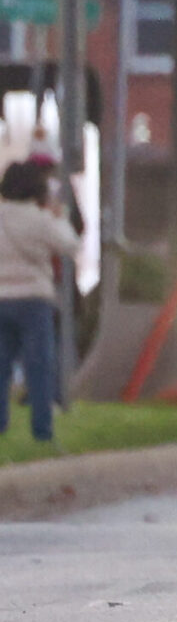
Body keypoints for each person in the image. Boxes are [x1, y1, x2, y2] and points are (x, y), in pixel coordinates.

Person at [0, 161, 79, 445]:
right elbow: (70, 245)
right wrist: (59, 217)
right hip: (35, 299)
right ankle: (42, 430)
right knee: (39, 367)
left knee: (2, 366)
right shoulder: (40, 218)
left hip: (1, 299)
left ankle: (1, 423)